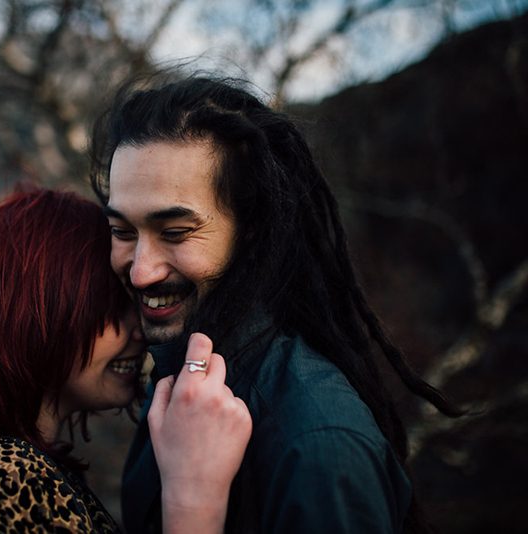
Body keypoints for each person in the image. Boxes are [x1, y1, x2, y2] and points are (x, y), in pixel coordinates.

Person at [89, 75, 460, 533]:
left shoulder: (317, 446)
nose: (141, 270)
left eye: (175, 233)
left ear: (252, 233)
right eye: (123, 232)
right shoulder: (178, 381)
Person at [0, 186, 251, 533]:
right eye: (112, 306)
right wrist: (193, 500)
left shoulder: (15, 471)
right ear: (35, 316)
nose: (138, 330)